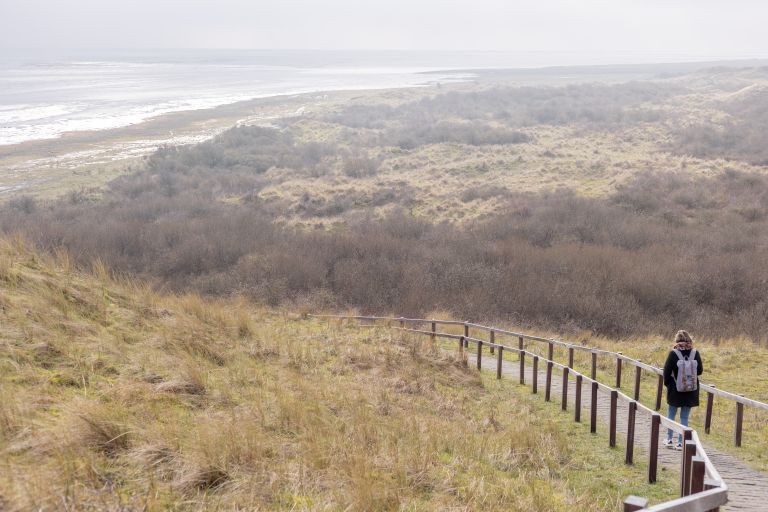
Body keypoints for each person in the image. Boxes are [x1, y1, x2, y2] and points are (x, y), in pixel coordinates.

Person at [663, 330, 703, 450]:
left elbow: (666, 372)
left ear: (677, 340)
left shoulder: (673, 353)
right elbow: (700, 371)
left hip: (675, 389)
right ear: (689, 340)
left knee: (671, 415)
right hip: (691, 390)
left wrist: (669, 384)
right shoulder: (695, 353)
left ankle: (669, 439)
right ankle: (681, 442)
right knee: (684, 417)